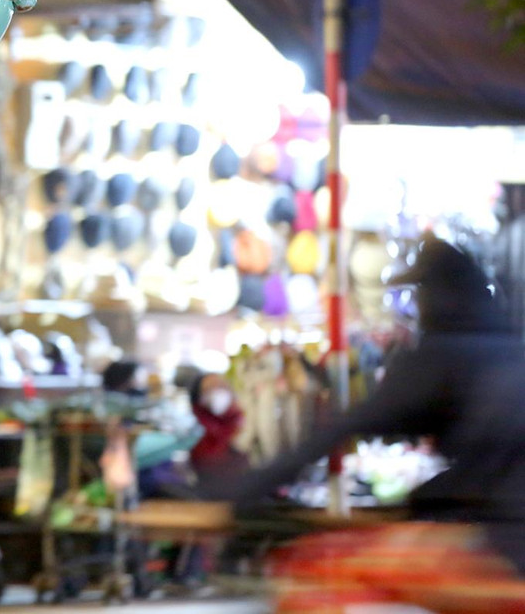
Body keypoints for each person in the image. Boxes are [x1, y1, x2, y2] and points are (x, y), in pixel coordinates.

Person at [223, 237, 525, 574]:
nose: (417, 304)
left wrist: (248, 489)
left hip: (500, 539)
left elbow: (348, 425)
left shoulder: (442, 355)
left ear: (435, 292)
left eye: (419, 291)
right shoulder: (507, 346)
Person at [187, 373, 248, 489]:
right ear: (199, 397)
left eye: (222, 386)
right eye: (210, 388)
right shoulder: (195, 431)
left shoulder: (241, 420)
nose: (217, 392)